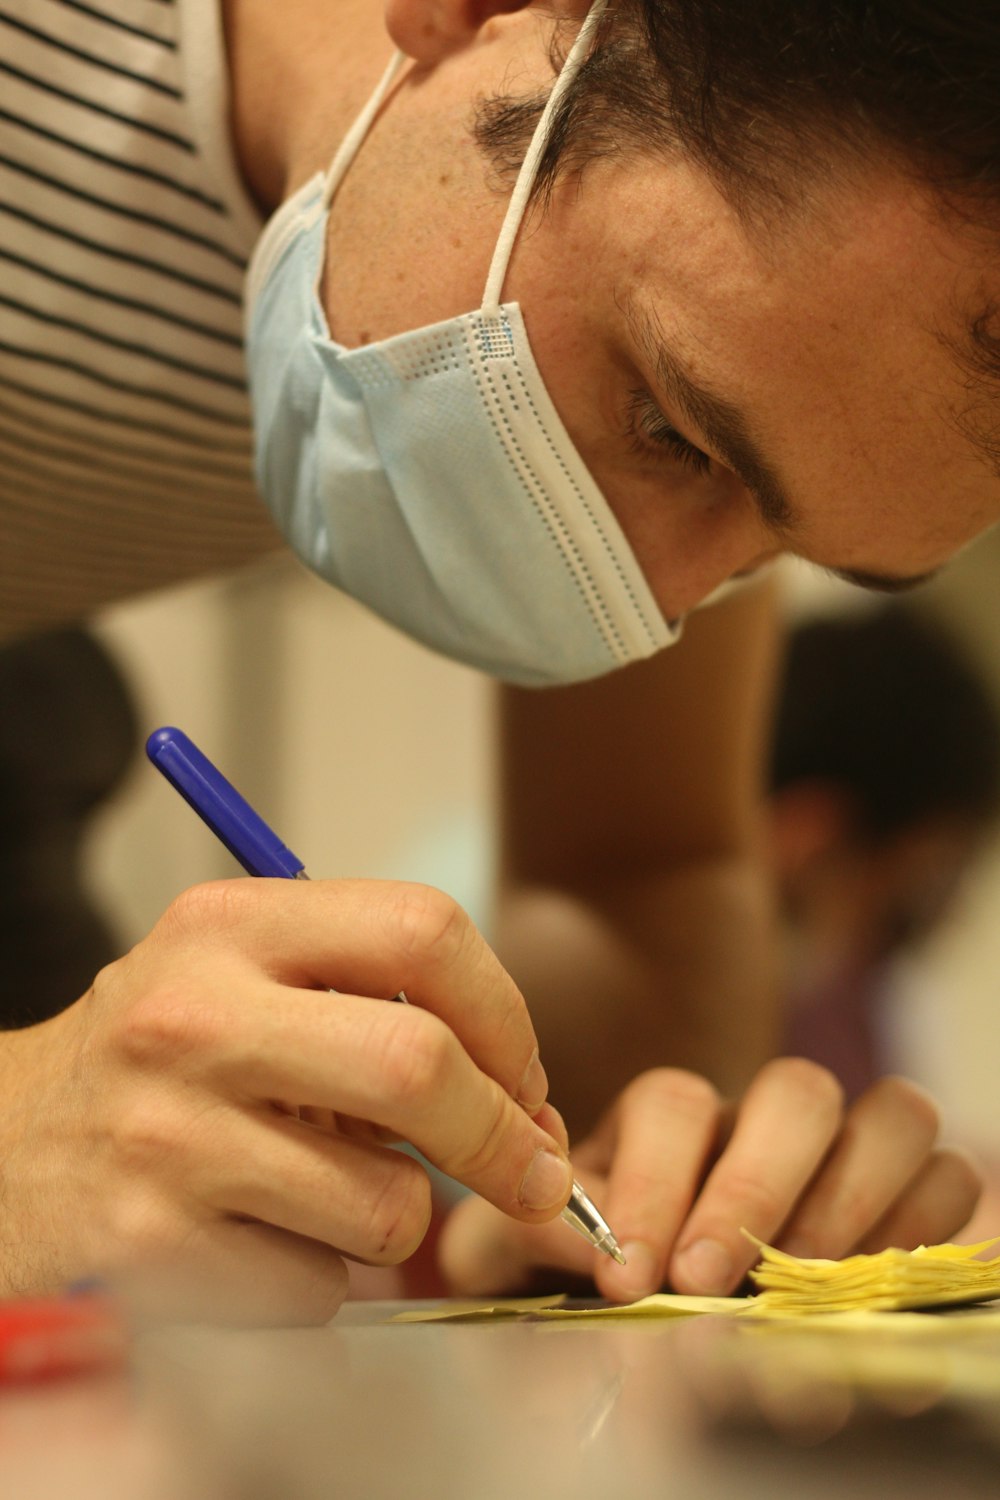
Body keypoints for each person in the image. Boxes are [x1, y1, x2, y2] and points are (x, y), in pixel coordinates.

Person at [0, 0, 995, 1321]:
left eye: (783, 551)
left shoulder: (743, 300)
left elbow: (637, 872)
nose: (653, 611)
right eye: (669, 426)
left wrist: (630, 1187)